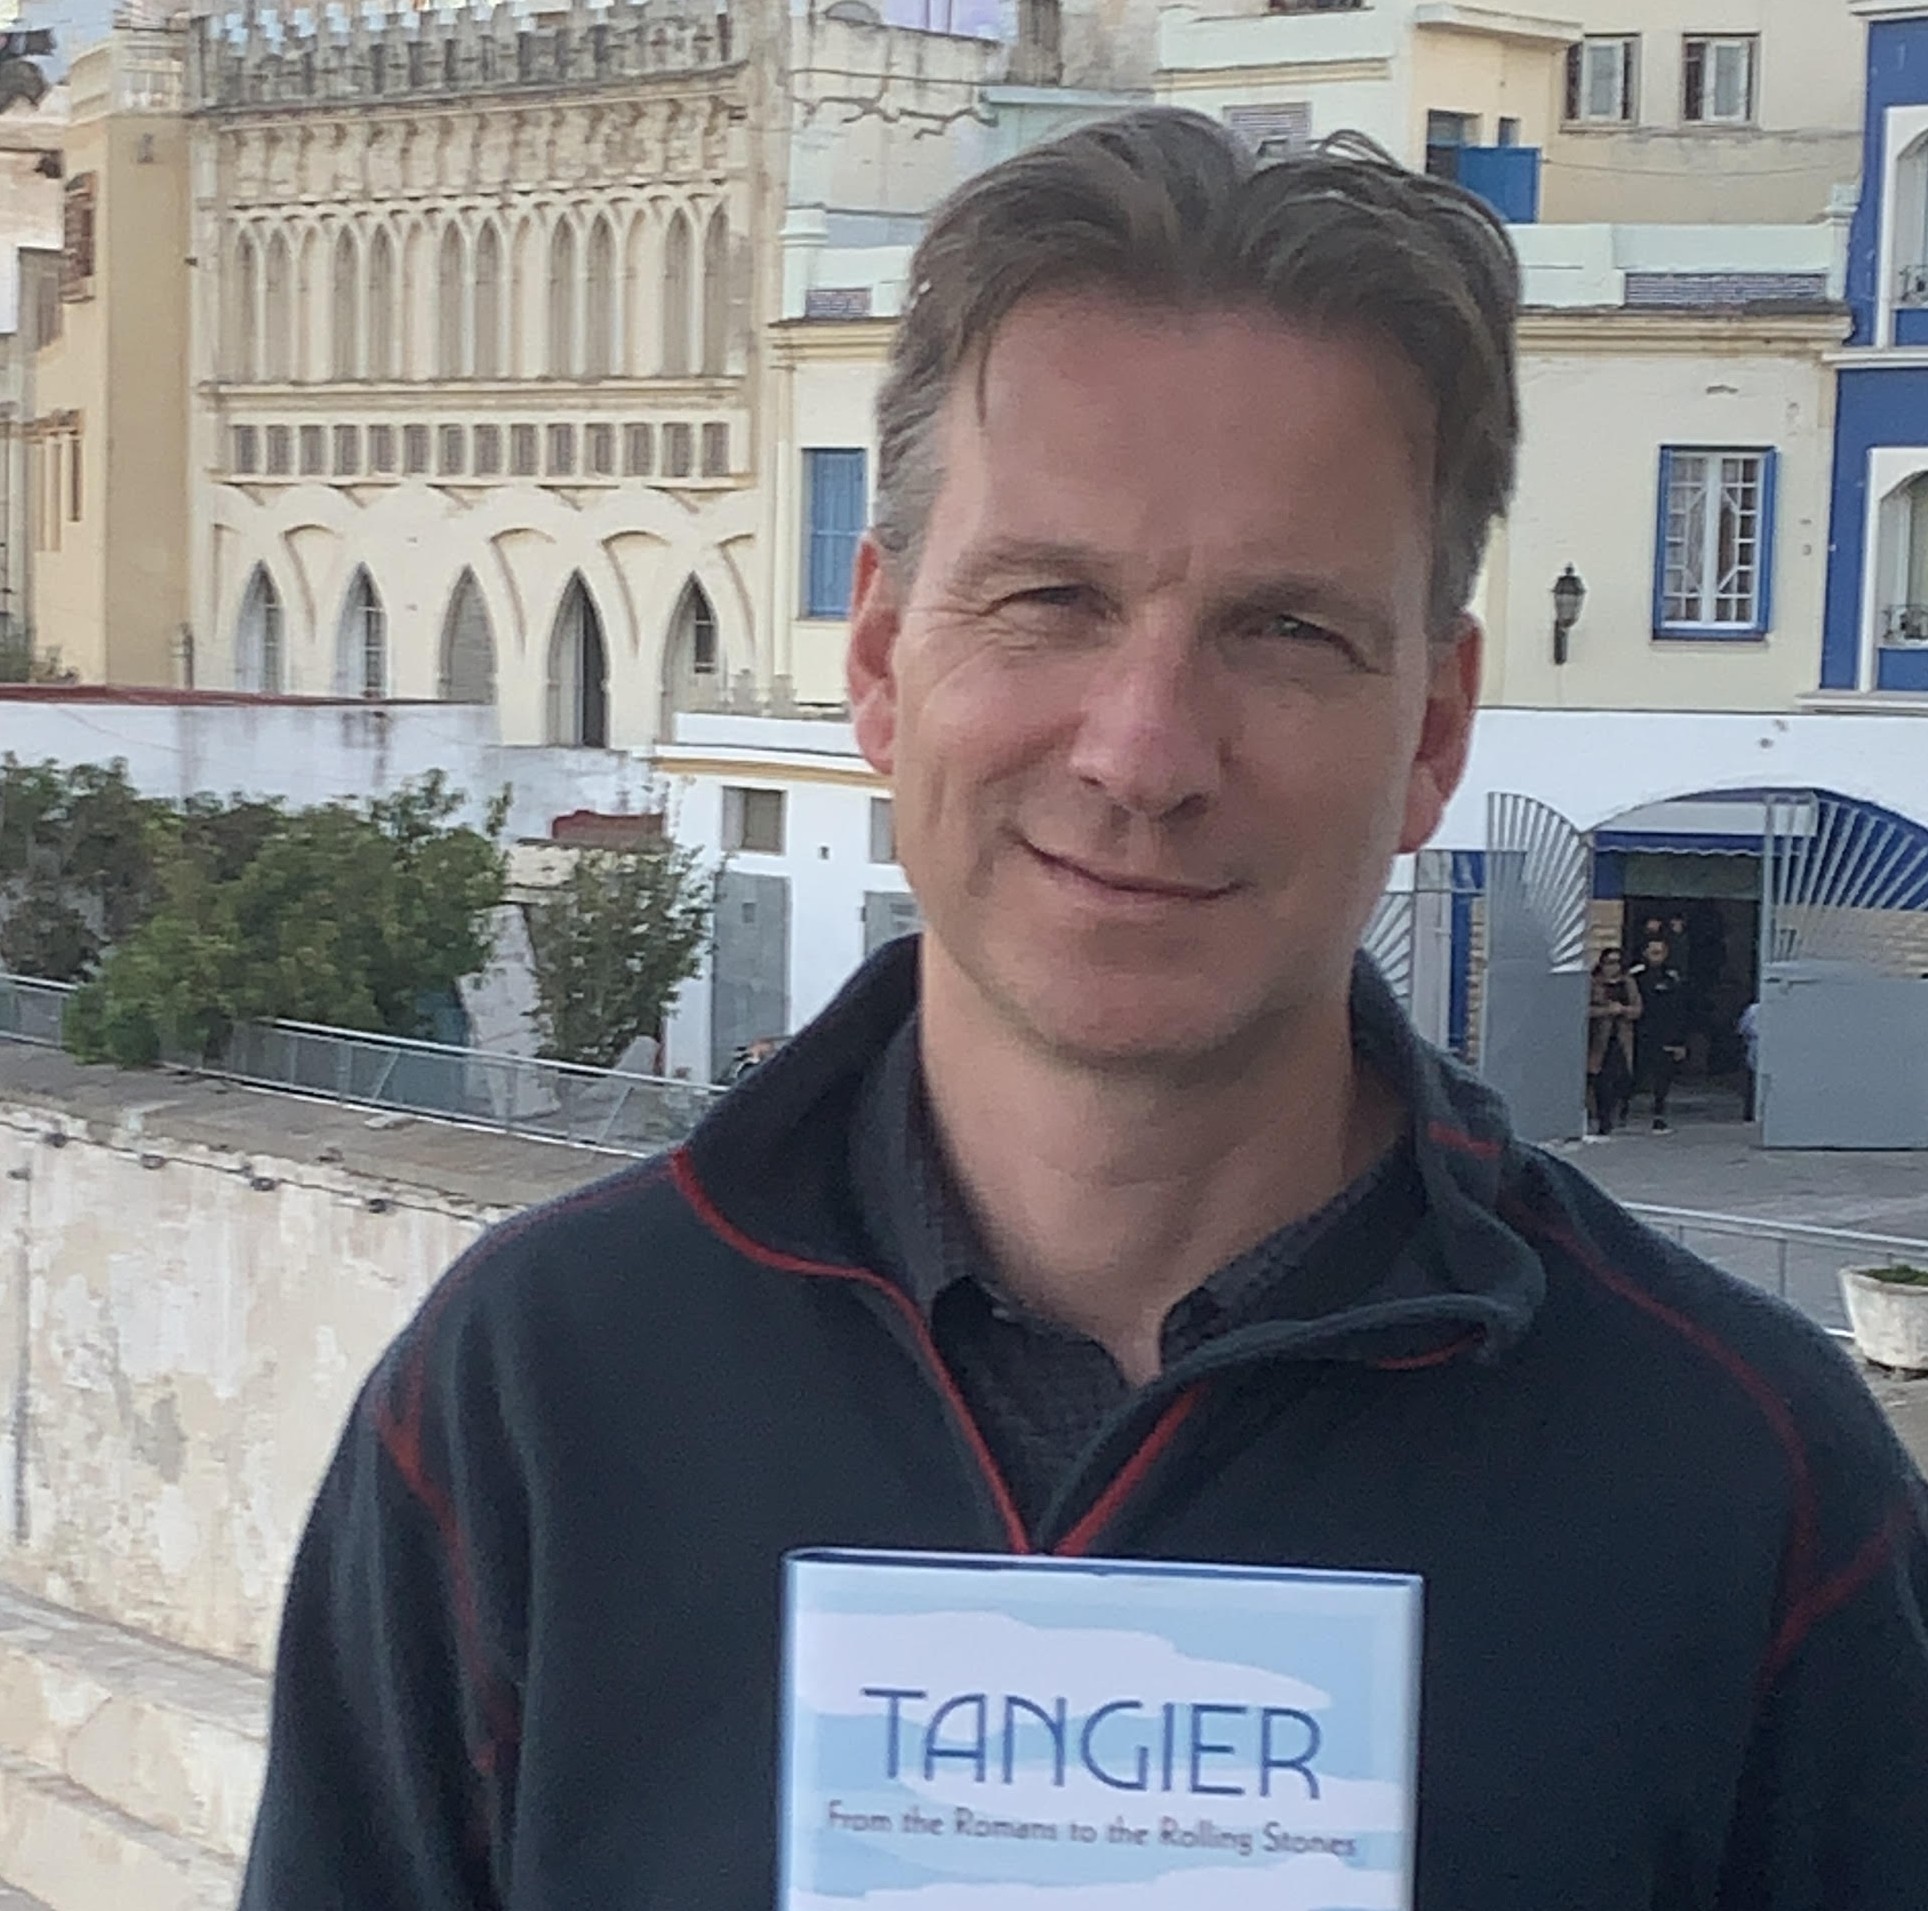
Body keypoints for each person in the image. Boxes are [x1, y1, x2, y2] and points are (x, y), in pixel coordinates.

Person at [240, 113, 1928, 1910]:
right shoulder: (532, 1398)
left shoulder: (1746, 1484)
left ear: (1433, 727)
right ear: (881, 659)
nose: (1143, 751)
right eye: (1050, 597)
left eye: (1284, 631)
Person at [1629, 936, 1687, 1132]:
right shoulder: (1635, 976)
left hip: (1664, 1033)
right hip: (1639, 1032)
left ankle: (1659, 1113)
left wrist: (1678, 1041)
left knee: (1662, 1075)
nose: (1657, 957)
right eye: (1653, 953)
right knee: (1634, 1073)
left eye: (1660, 953)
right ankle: (1623, 1111)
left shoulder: (1672, 977)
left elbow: (1679, 1010)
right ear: (1645, 953)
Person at [1586, 946, 1641, 1137]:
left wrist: (1623, 1010)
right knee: (1601, 1081)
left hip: (1621, 1037)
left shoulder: (1628, 982)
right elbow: (1583, 1009)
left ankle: (1618, 1110)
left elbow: (1637, 1009)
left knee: (1622, 1078)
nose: (1613, 967)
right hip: (1599, 1038)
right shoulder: (1593, 983)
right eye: (1609, 963)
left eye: (1617, 962)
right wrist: (1606, 1011)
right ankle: (1602, 1118)